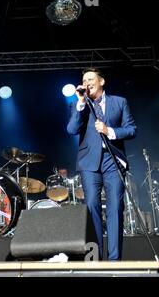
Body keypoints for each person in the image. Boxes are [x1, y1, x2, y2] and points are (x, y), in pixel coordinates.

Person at [67, 68, 137, 261]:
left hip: (113, 160)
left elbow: (131, 129)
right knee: (91, 206)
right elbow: (72, 129)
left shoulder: (119, 102)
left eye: (90, 79)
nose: (87, 83)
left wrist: (110, 131)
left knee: (115, 208)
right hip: (89, 163)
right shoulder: (79, 105)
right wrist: (80, 103)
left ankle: (114, 260)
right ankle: (95, 258)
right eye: (84, 80)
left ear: (102, 81)